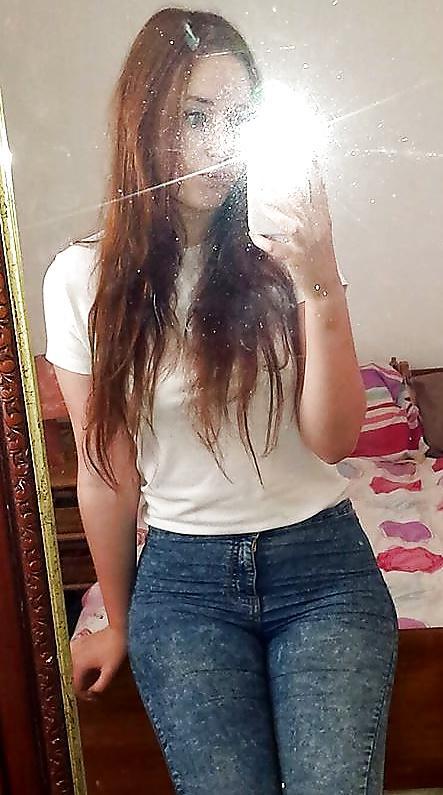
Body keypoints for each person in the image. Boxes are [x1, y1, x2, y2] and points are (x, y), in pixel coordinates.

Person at [43, 8, 398, 794]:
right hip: (184, 581)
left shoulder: (286, 252)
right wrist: (118, 620)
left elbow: (334, 438)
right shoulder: (82, 280)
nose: (217, 145)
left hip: (322, 567)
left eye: (240, 120)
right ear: (142, 122)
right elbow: (106, 471)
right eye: (193, 116)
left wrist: (319, 274)